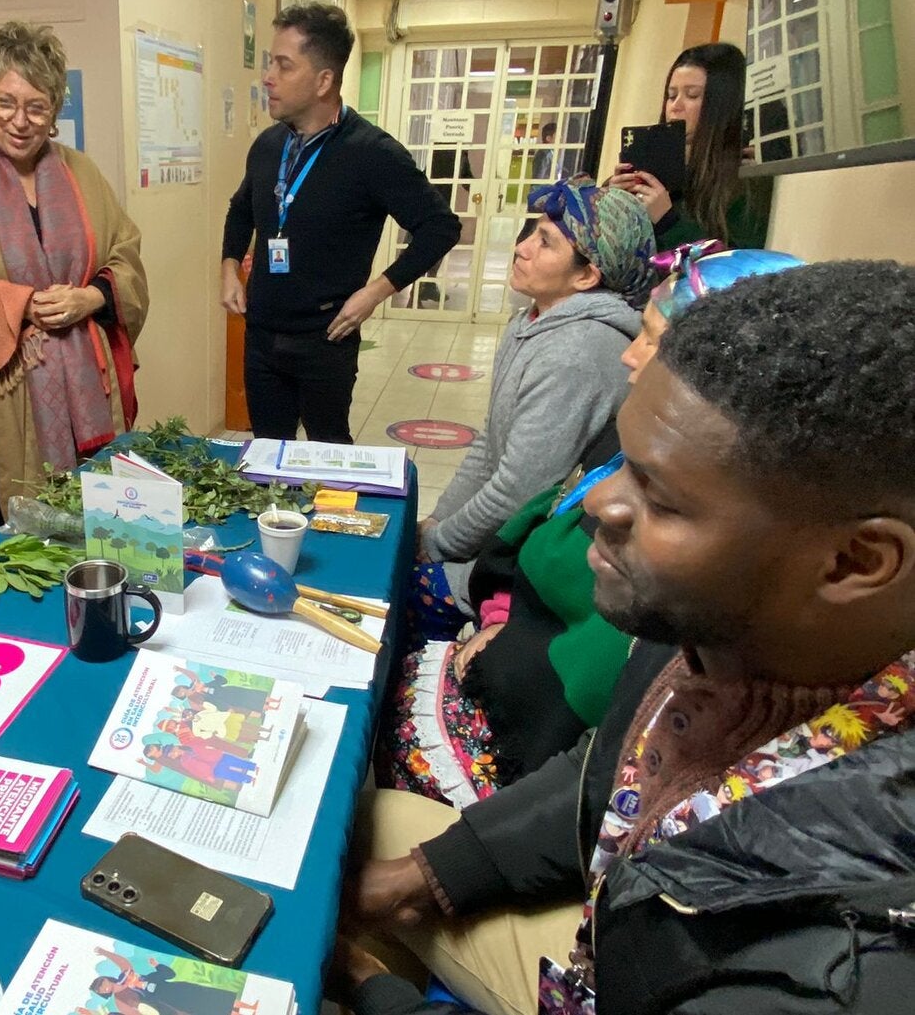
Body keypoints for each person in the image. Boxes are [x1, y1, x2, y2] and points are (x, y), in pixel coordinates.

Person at [342, 259, 915, 1015]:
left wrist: (370, 989)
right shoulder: (714, 628)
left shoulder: (835, 973)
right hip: (615, 935)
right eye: (623, 464)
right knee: (357, 842)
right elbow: (609, 772)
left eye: (661, 495)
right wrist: (423, 875)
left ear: (855, 560)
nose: (602, 501)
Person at [381, 244, 805, 809]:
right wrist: (502, 611)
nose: (630, 357)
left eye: (652, 339)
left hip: (528, 751)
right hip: (504, 664)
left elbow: (591, 768)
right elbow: (522, 507)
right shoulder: (626, 432)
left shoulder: (711, 580)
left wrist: (440, 551)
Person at [0, 21, 148, 548]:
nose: (20, 121)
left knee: (98, 525)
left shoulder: (82, 174)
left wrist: (92, 297)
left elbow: (125, 257)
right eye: (5, 103)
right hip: (3, 404)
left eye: (37, 106)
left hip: (88, 383)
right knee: (20, 537)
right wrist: (14, 303)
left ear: (56, 109)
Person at [221, 3, 460, 444]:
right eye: (269, 62)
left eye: (283, 65)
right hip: (262, 332)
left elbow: (440, 227)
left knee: (329, 455)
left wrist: (374, 293)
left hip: (325, 337)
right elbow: (240, 209)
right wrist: (229, 267)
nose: (267, 77)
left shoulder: (373, 153)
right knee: (268, 454)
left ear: (323, 80)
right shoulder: (269, 145)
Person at [417, 177, 653, 585]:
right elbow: (490, 443)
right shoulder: (531, 320)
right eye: (532, 234)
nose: (521, 247)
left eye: (544, 243)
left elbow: (520, 488)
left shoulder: (577, 351)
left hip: (537, 563)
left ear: (586, 277)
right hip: (506, 537)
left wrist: (440, 547)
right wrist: (438, 523)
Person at [611, 42, 767, 250]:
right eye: (671, 95)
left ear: (722, 105)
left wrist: (668, 221)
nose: (676, 106)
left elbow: (735, 265)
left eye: (692, 95)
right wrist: (611, 204)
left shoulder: (746, 179)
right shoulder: (654, 168)